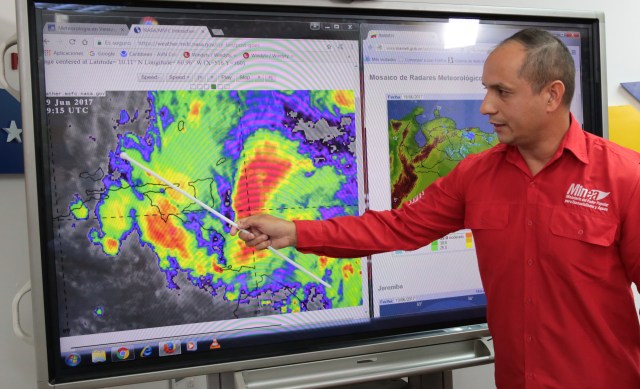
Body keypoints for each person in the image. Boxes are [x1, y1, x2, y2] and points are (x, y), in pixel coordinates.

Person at [231, 28, 640, 389]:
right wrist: (296, 231)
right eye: (486, 89)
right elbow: (397, 228)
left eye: (502, 92)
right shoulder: (475, 174)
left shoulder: (625, 177)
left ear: (552, 94)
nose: (486, 106)